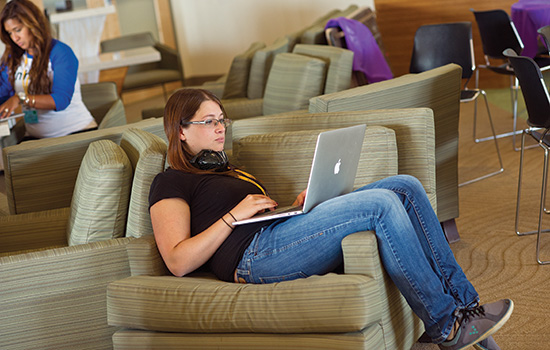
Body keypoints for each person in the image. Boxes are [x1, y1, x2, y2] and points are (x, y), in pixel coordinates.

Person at [149, 88, 513, 350]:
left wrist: (295, 207)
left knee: (405, 185)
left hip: (278, 233)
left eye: (221, 119)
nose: (220, 127)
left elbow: (256, 222)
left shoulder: (227, 171)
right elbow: (178, 260)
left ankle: (467, 307)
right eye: (208, 121)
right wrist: (233, 215)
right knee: (382, 204)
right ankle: (445, 325)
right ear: (180, 130)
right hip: (251, 259)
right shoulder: (170, 181)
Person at [0, 0, 96, 139]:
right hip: (36, 138)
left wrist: (21, 99)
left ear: (33, 24)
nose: (15, 38)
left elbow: (61, 100)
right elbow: (2, 93)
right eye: (9, 33)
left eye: (18, 30)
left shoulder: (61, 52)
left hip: (76, 133)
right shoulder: (14, 58)